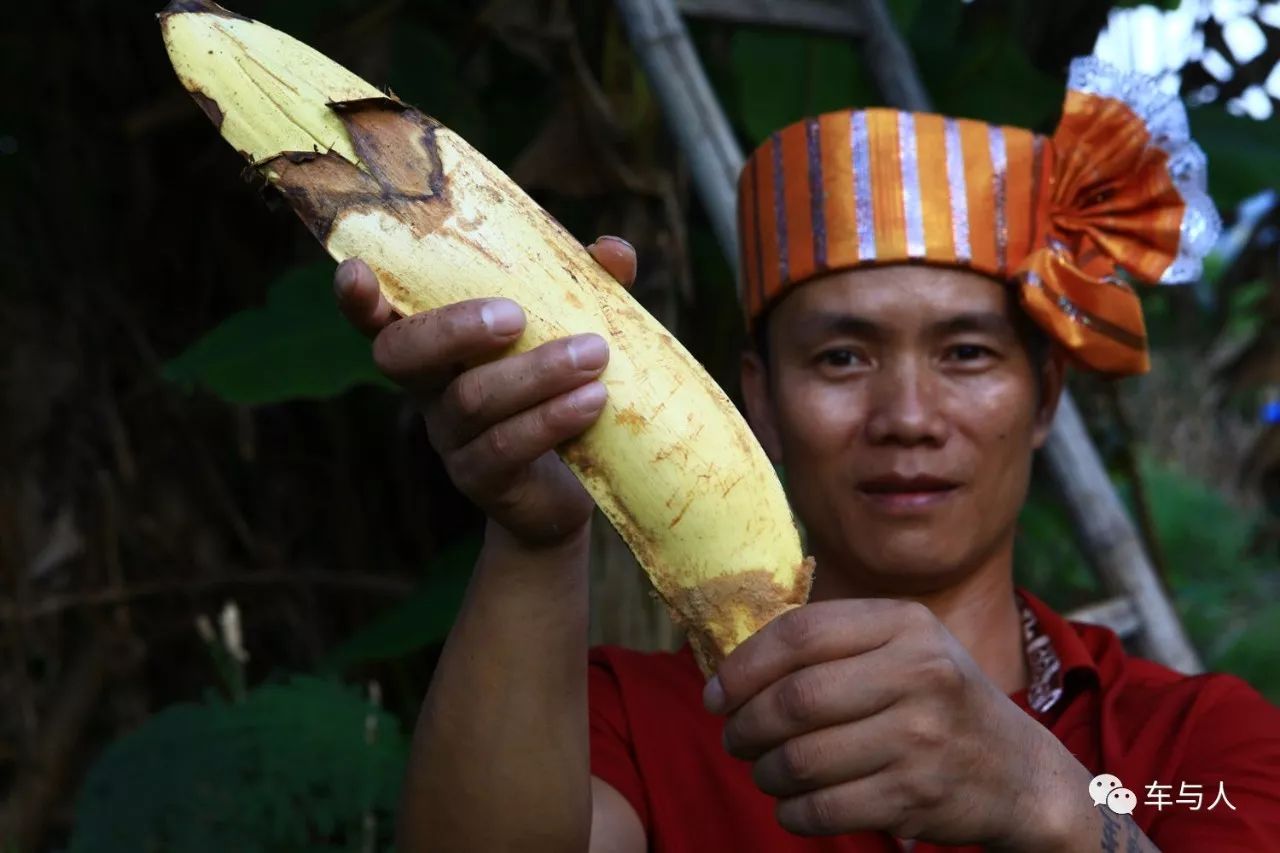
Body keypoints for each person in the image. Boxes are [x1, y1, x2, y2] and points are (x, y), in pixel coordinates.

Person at [333, 57, 1280, 851]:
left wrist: (1053, 796)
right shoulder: (635, 719)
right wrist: (535, 539)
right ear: (762, 399)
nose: (907, 415)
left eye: (966, 354)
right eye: (842, 356)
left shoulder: (1194, 747)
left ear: (1045, 399)